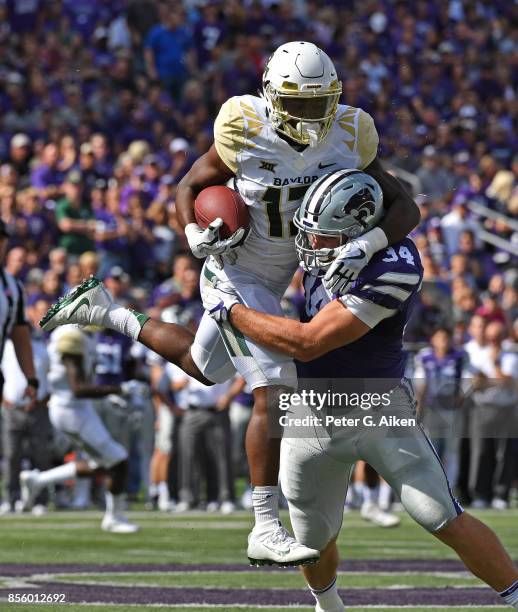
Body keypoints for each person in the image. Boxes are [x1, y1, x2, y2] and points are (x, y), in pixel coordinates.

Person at [40, 41, 420, 566]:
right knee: (277, 384)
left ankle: (105, 310)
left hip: (284, 271)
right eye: (299, 103)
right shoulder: (244, 123)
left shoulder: (351, 131)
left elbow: (405, 205)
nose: (311, 117)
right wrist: (192, 232)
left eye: (319, 103)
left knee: (204, 368)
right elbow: (190, 185)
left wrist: (369, 242)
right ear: (271, 93)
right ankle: (264, 523)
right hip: (235, 268)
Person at [198, 171, 518, 611]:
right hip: (310, 411)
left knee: (441, 516)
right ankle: (328, 607)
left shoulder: (395, 265)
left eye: (323, 239)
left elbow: (307, 342)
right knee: (311, 538)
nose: (309, 247)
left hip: (377, 407)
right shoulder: (328, 242)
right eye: (308, 235)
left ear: (359, 234)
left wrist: (230, 309)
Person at [19, 325, 140, 533]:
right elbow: (78, 389)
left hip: (77, 408)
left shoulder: (83, 334)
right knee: (119, 460)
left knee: (102, 463)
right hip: (71, 410)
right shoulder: (71, 336)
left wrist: (110, 394)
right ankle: (114, 517)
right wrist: (120, 388)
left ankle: (38, 480)